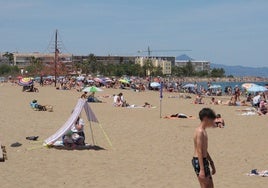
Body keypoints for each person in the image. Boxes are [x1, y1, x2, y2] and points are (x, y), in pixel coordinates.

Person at [192, 108, 222, 188]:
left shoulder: (204, 131)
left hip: (203, 160)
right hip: (199, 161)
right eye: (211, 119)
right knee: (204, 186)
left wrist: (211, 162)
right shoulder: (199, 131)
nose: (213, 121)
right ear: (205, 118)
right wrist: (202, 170)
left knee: (210, 186)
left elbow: (204, 150)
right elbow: (199, 151)